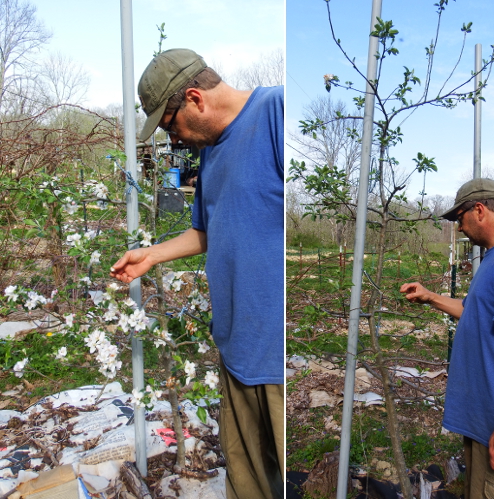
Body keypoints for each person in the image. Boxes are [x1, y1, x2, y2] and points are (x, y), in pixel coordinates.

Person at [110, 48, 284, 499]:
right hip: (235, 348)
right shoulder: (211, 153)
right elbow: (206, 231)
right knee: (248, 481)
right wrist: (150, 255)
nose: (175, 138)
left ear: (194, 98)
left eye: (170, 125)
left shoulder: (276, 113)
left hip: (275, 356)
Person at [400, 178, 494, 498]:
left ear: (480, 210)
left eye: (459, 218)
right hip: (487, 425)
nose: (459, 228)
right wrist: (430, 297)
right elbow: (474, 311)